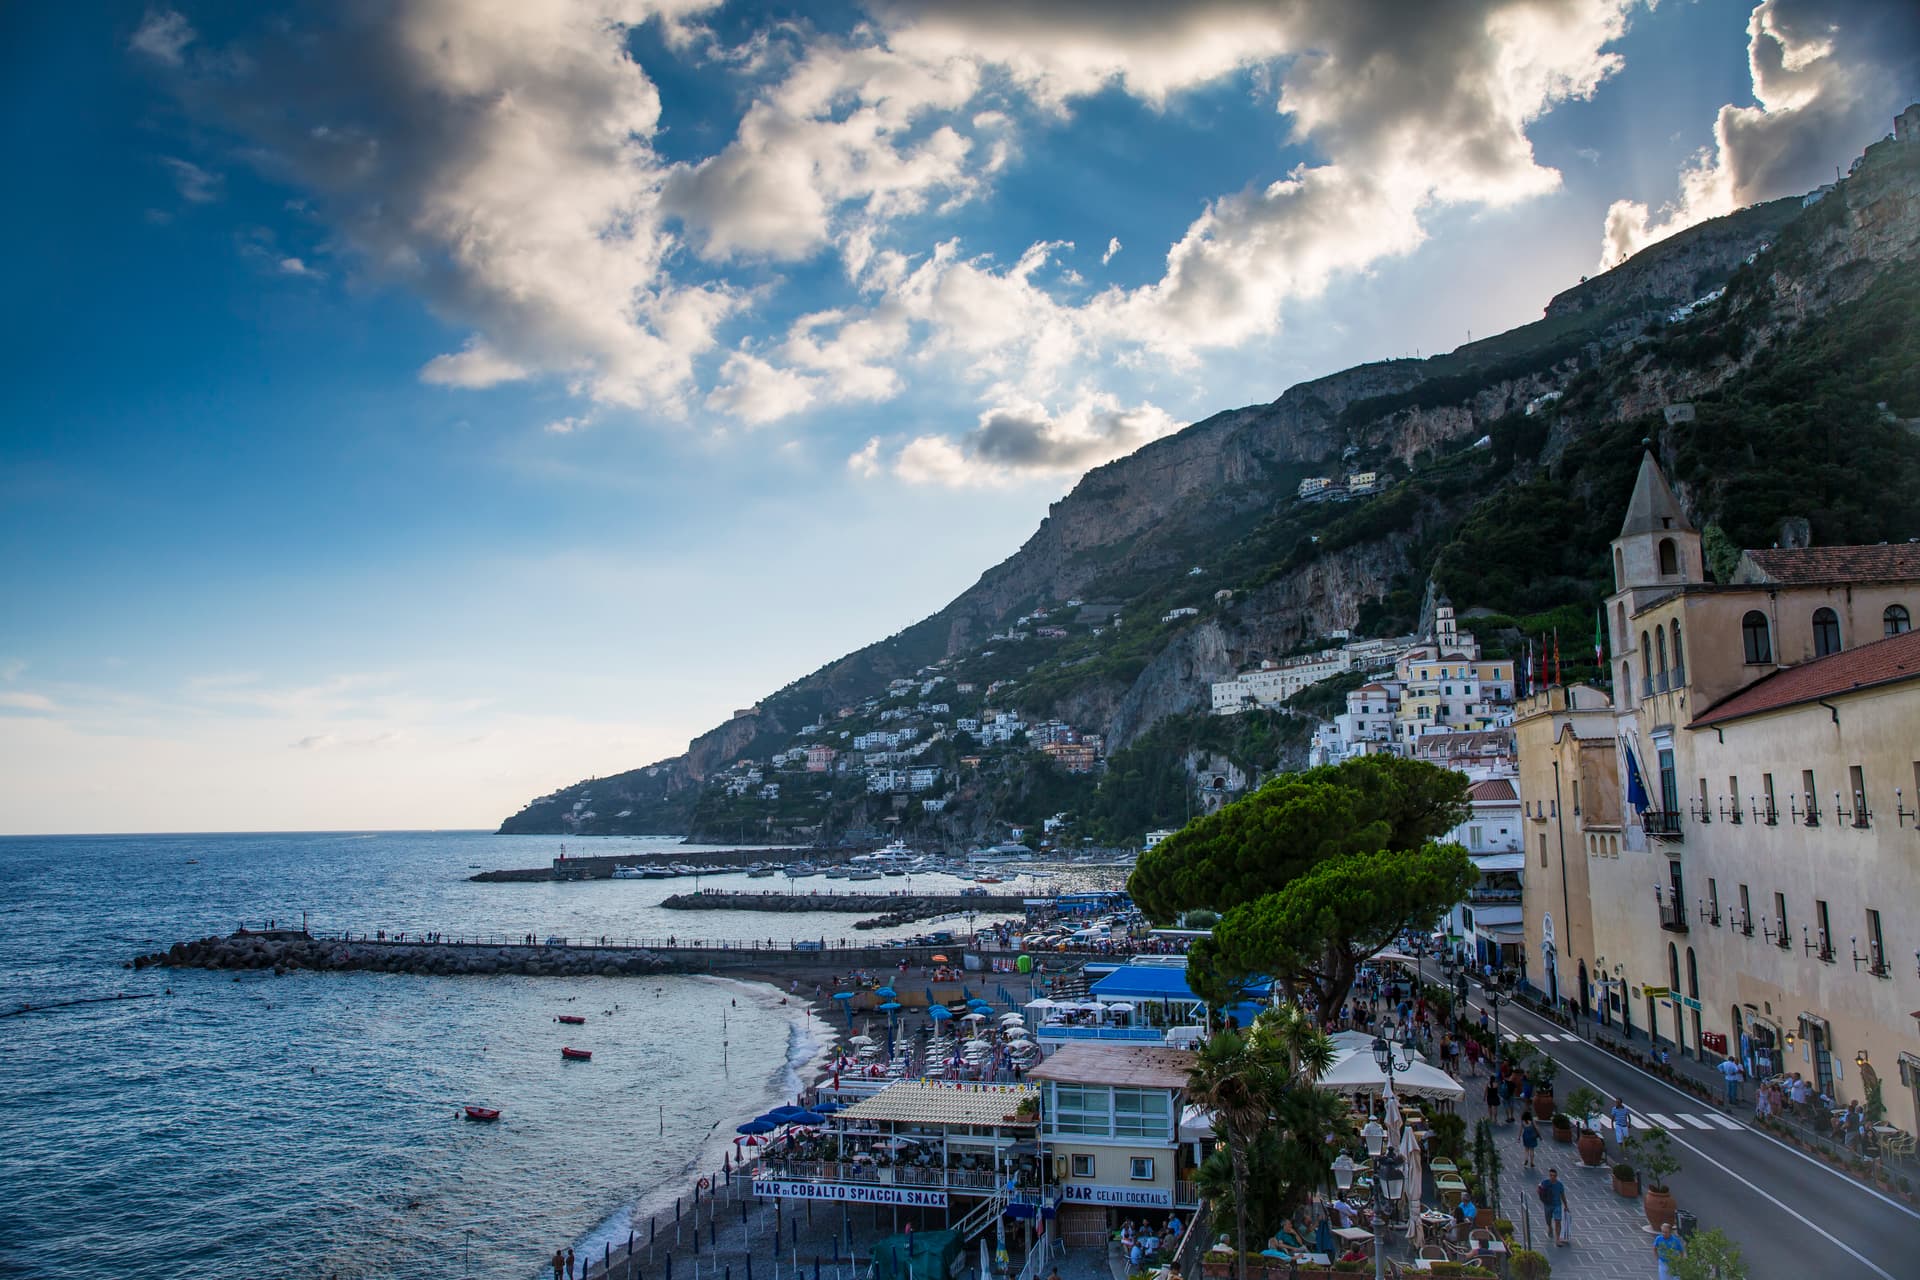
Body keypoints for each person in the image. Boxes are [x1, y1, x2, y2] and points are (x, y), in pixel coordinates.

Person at [1537, 1169, 1567, 1247]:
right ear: (1549, 1175)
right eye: (1551, 1175)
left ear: (1556, 1176)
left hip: (1557, 1205)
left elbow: (1563, 1195)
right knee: (1548, 1220)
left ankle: (1557, 1239)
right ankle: (1550, 1227)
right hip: (1548, 1205)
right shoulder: (1545, 1182)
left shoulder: (1559, 1185)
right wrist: (1542, 1197)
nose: (1552, 1177)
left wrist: (1566, 1206)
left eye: (1554, 1176)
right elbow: (1538, 1189)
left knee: (1558, 1221)